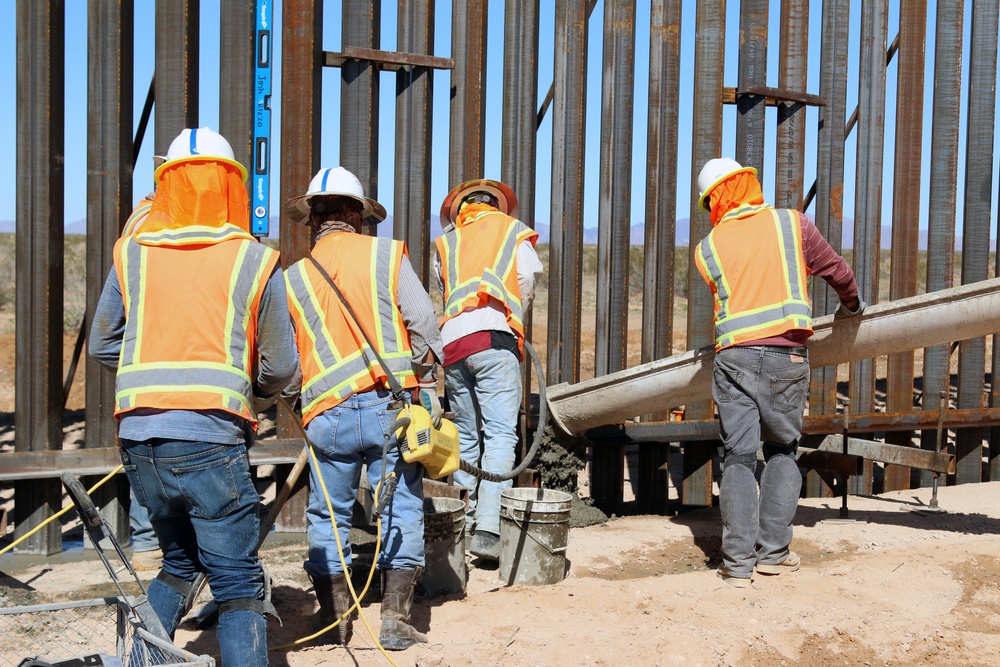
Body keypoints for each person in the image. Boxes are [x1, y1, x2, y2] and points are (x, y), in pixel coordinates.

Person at [89, 127, 297, 666]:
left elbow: (103, 342)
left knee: (179, 562)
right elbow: (280, 366)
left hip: (140, 439)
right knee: (237, 579)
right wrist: (240, 386)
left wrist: (152, 369)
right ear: (230, 185)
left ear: (168, 185)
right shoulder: (253, 260)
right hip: (210, 437)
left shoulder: (133, 255)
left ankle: (142, 662)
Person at [284, 167, 444, 649]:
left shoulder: (293, 278)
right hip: (390, 408)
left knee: (327, 515)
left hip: (325, 416)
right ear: (357, 214)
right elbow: (423, 321)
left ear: (313, 218)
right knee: (401, 508)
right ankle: (394, 622)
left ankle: (335, 621)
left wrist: (301, 400)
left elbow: (285, 361)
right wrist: (426, 381)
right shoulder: (385, 256)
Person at [693, 158, 864, 588]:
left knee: (737, 457)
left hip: (733, 360)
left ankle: (736, 565)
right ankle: (773, 554)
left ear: (714, 200)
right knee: (784, 451)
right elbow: (838, 272)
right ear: (748, 183)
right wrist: (853, 306)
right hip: (786, 359)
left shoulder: (707, 247)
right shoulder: (793, 224)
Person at [433, 179, 543, 562]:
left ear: (461, 209)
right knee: (499, 435)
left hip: (452, 343)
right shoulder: (511, 230)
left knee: (465, 437)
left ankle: (458, 529)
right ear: (497, 206)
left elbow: (444, 286)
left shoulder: (448, 242)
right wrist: (514, 313)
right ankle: (489, 528)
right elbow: (527, 276)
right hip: (494, 339)